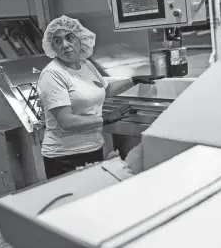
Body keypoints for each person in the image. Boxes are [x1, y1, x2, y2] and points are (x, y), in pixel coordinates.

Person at [38, 15, 162, 179]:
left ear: (79, 38)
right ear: (52, 47)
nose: (65, 45)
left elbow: (106, 89)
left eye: (69, 38)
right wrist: (105, 119)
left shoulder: (86, 64)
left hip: (93, 148)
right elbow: (66, 121)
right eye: (58, 41)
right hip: (64, 156)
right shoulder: (52, 74)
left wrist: (134, 80)